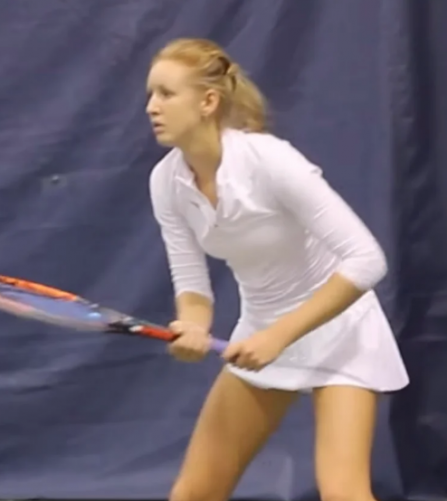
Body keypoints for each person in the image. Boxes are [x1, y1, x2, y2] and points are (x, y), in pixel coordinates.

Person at [144, 37, 409, 501]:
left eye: (166, 93)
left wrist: (279, 336)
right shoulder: (165, 181)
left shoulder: (270, 160)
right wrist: (191, 327)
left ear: (208, 101)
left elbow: (368, 260)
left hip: (340, 330)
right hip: (261, 329)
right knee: (194, 494)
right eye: (150, 94)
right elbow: (192, 285)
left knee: (344, 492)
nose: (152, 106)